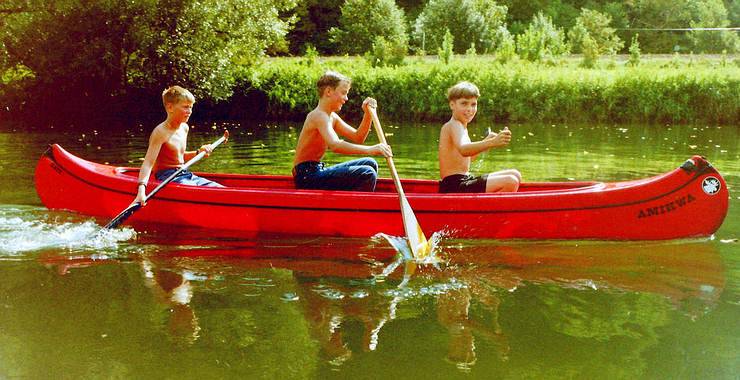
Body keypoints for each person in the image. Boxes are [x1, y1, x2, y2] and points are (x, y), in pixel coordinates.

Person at [292, 70, 392, 192]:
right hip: (306, 177)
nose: (346, 98)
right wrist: (371, 149)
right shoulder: (318, 116)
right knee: (367, 173)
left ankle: (352, 200)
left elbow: (358, 137)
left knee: (370, 163)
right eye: (343, 93)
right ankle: (356, 208)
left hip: (316, 170)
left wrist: (368, 114)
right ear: (328, 91)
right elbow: (335, 145)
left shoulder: (332, 117)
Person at [133, 86, 223, 206]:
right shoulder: (160, 132)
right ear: (170, 107)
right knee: (203, 193)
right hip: (166, 177)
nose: (189, 111)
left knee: (220, 189)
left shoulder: (184, 128)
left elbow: (178, 158)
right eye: (185, 107)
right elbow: (148, 163)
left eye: (191, 107)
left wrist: (198, 152)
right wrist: (141, 191)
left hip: (184, 174)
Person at [438, 81, 521, 193]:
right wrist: (492, 142)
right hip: (453, 186)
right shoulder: (454, 125)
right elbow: (464, 150)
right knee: (510, 181)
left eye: (473, 104)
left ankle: (489, 207)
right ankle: (491, 209)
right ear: (452, 105)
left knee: (515, 174)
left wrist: (487, 141)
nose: (469, 109)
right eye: (464, 103)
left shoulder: (461, 126)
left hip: (462, 181)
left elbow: (466, 158)